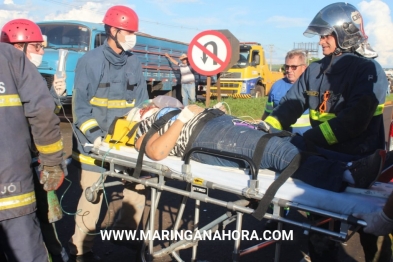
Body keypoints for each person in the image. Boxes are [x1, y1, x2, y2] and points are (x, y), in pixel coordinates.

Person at [263, 3, 390, 262]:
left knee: (370, 232)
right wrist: (268, 127)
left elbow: (354, 123)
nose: (321, 41)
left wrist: (307, 140)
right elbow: (290, 104)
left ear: (346, 33)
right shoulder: (314, 71)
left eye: (326, 35)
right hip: (321, 160)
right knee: (319, 228)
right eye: (321, 36)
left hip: (362, 162)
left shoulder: (368, 71)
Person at [128, 103, 384, 194]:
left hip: (217, 124)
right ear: (140, 114)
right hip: (203, 136)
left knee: (292, 139)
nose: (151, 104)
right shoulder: (145, 126)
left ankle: (354, 163)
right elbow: (156, 153)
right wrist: (181, 119)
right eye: (147, 105)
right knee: (271, 150)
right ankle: (347, 175)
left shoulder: (170, 110)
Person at [69, 5, 149, 262]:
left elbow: (141, 106)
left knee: (138, 187)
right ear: (113, 31)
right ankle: (81, 251)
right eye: (128, 32)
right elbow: (80, 109)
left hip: (124, 144)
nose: (132, 36)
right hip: (95, 145)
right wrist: (96, 139)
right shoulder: (89, 62)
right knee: (92, 195)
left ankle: (124, 235)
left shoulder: (134, 63)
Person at [0, 18, 68, 262]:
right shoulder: (15, 65)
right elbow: (39, 118)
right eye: (37, 46)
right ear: (18, 47)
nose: (42, 52)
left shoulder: (30, 74)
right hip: (16, 179)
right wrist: (52, 162)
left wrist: (55, 98)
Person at [262, 49, 310, 135]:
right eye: (287, 66)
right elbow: (267, 113)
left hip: (307, 140)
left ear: (304, 68)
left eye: (294, 67)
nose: (289, 70)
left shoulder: (312, 87)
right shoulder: (276, 86)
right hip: (282, 140)